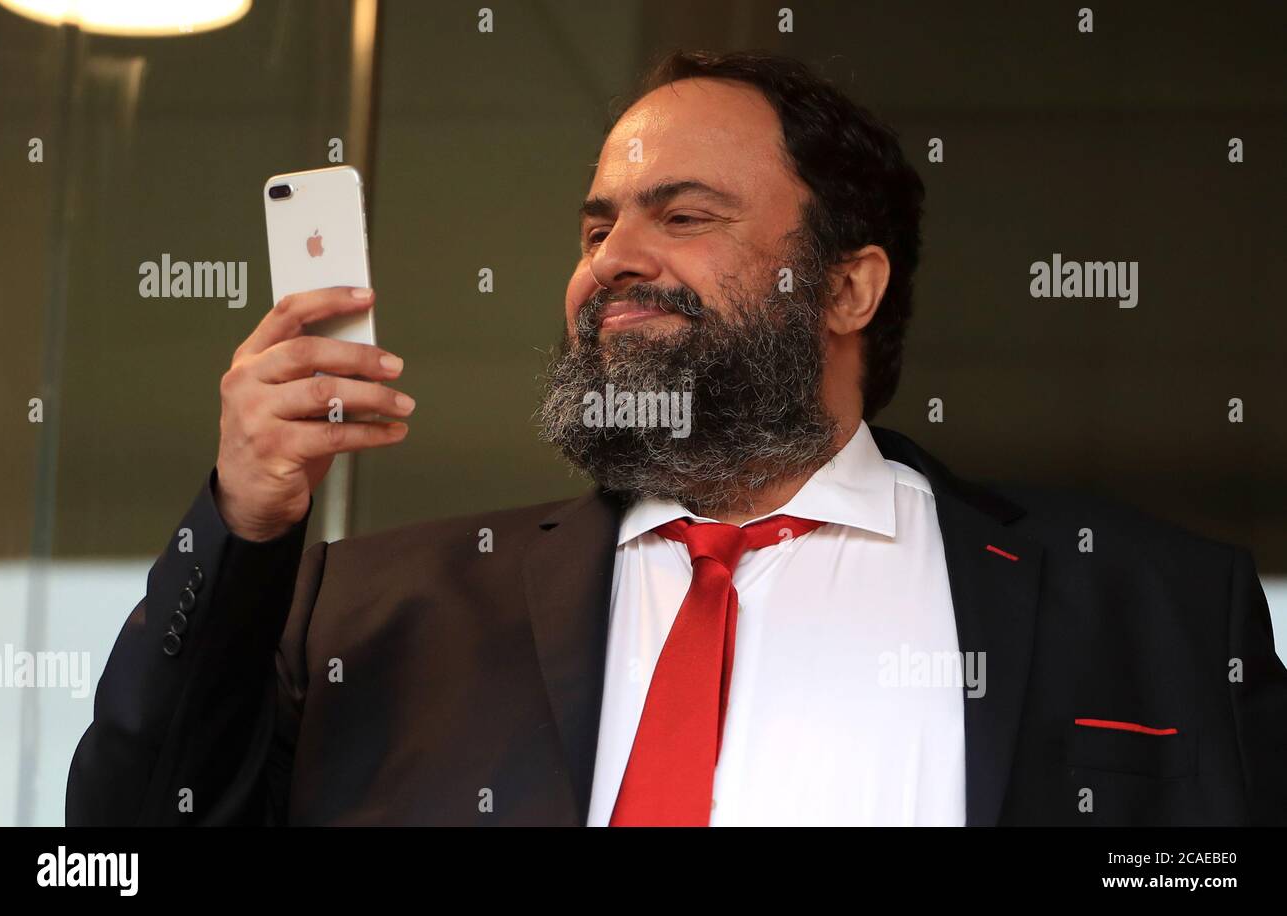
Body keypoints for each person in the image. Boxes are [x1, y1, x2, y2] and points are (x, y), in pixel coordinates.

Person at [67, 50, 1287, 826]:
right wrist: (242, 523)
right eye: (595, 227)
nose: (611, 263)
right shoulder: (370, 613)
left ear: (848, 289)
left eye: (682, 215)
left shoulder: (1150, 603)